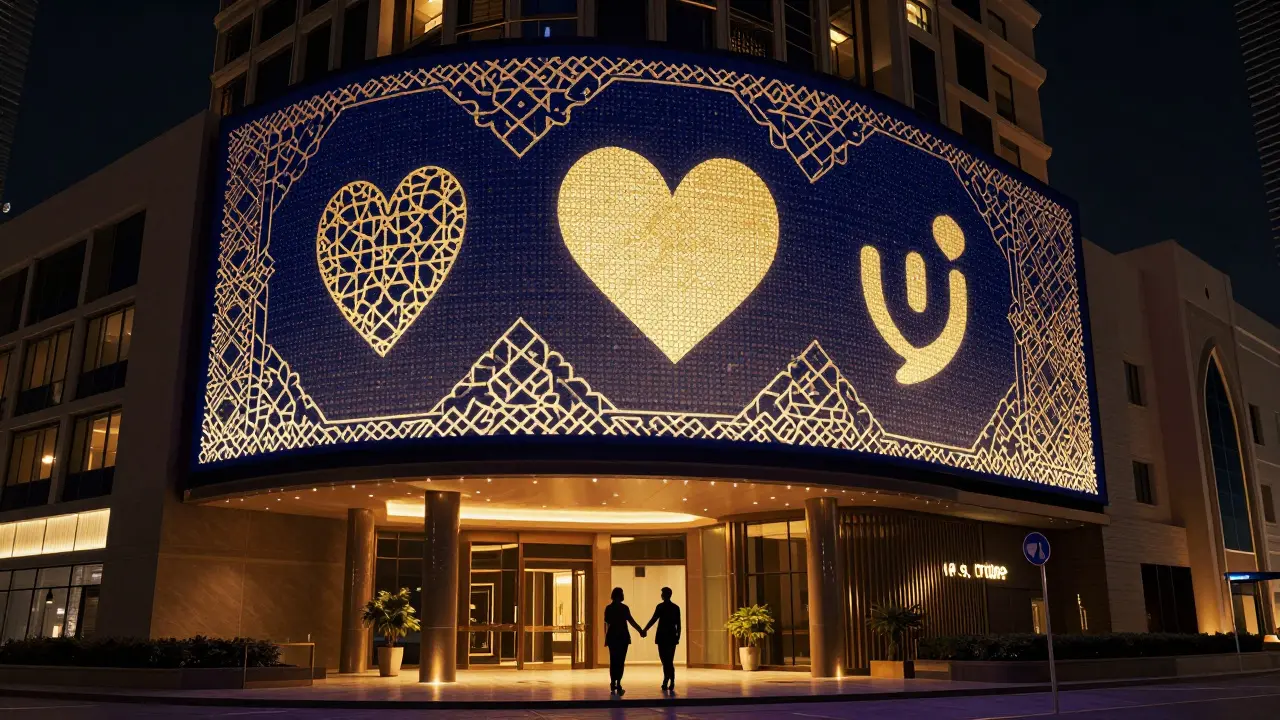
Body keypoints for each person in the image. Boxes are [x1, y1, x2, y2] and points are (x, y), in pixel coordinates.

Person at [603, 586, 645, 695]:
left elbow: (606, 624)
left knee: (613, 660)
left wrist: (606, 638)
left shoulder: (608, 608)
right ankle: (618, 682)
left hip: (612, 637)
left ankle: (613, 682)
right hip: (623, 637)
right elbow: (631, 621)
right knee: (620, 661)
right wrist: (640, 630)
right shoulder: (624, 608)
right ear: (620, 595)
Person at [642, 586, 682, 692]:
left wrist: (645, 629)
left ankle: (667, 679)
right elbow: (679, 624)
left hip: (662, 637)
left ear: (665, 595)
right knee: (669, 660)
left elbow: (653, 619)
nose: (661, 595)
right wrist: (678, 636)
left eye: (662, 593)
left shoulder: (660, 607)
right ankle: (670, 680)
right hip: (671, 637)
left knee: (665, 660)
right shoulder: (675, 607)